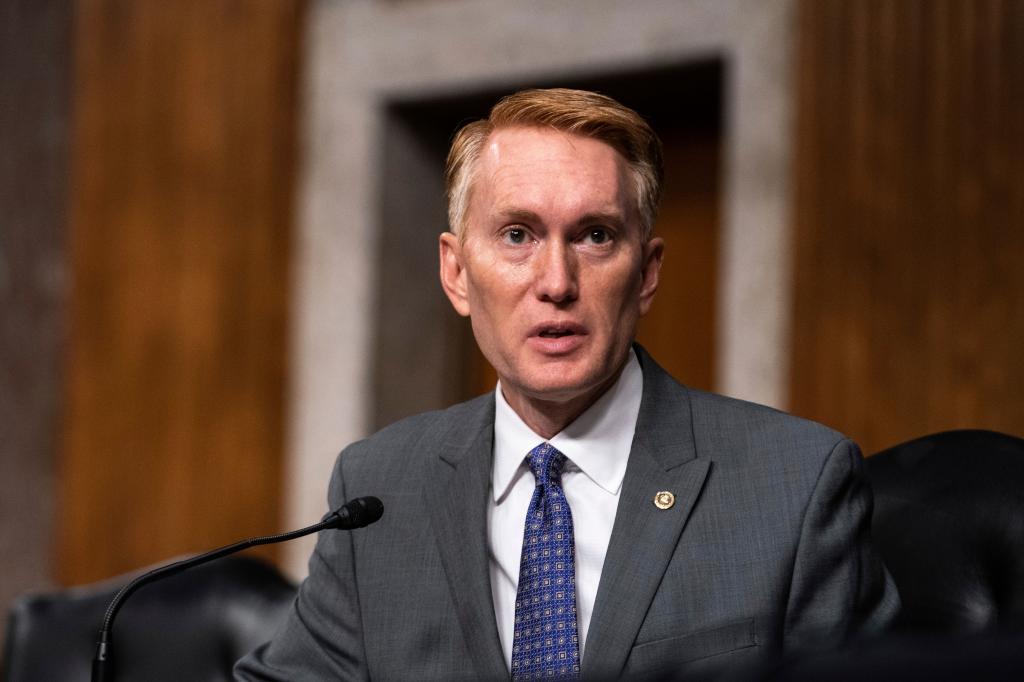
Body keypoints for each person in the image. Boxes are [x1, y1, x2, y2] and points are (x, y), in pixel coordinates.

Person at [235, 88, 898, 681]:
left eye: (595, 235)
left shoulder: (795, 483)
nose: (556, 282)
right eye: (518, 234)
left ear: (646, 273)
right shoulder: (379, 485)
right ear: (457, 273)